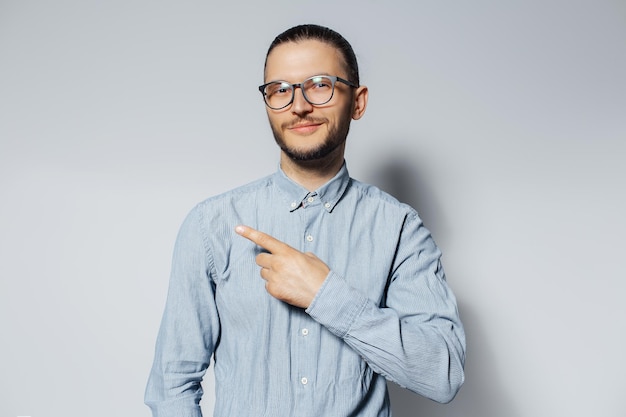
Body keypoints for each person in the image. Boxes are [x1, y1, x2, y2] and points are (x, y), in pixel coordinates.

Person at [145, 24, 465, 417]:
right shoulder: (210, 225)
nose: (298, 106)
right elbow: (172, 385)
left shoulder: (399, 229)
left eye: (319, 85)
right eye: (280, 90)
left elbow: (442, 374)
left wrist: (325, 295)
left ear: (358, 102)